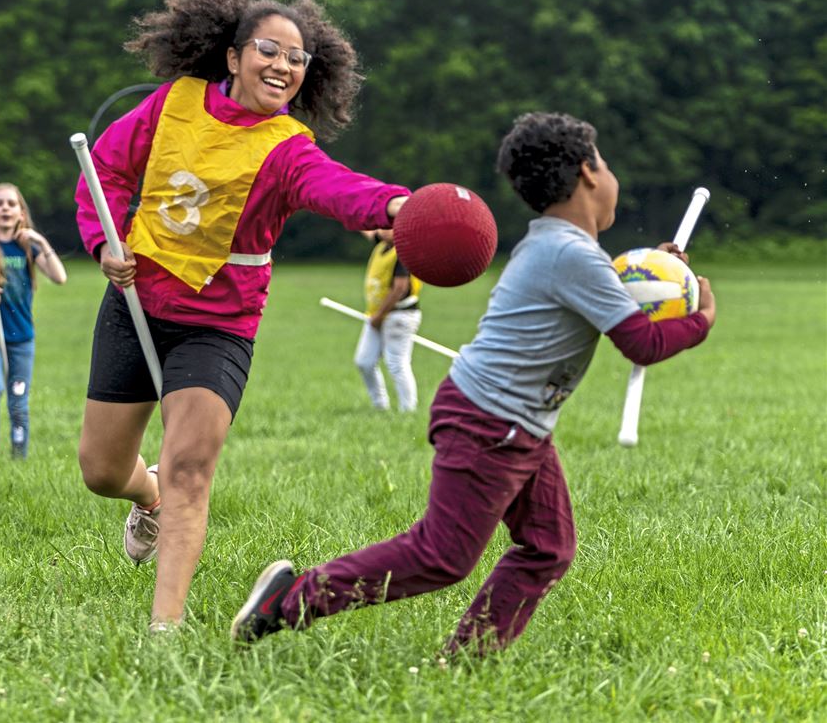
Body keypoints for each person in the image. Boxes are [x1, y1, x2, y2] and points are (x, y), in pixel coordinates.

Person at [232, 112, 717, 654]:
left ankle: (468, 658)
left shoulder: (553, 245)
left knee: (546, 548)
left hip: (514, 423)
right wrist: (701, 318)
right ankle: (292, 599)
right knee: (441, 556)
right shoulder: (572, 256)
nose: (611, 177)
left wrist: (657, 271)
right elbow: (642, 342)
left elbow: (610, 291)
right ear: (587, 173)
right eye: (605, 164)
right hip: (492, 424)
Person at [74, 0, 411, 632]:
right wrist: (102, 241)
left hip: (217, 324)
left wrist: (398, 204)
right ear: (233, 56)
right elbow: (107, 169)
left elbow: (339, 189)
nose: (282, 64)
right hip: (135, 302)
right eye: (268, 50)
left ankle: (162, 632)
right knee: (102, 469)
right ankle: (146, 500)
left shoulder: (287, 148)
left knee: (190, 468)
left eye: (296, 57)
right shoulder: (174, 103)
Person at [0, 183, 66, 459]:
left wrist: (41, 242)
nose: (5, 208)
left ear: (21, 212)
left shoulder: (28, 245)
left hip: (21, 336)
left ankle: (19, 457)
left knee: (18, 401)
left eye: (11, 204)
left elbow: (59, 277)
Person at [355, 228, 423, 412]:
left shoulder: (403, 252)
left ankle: (407, 410)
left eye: (388, 227)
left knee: (397, 363)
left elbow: (400, 287)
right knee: (364, 361)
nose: (382, 230)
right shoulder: (383, 243)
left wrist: (380, 315)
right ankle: (380, 406)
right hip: (376, 314)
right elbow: (367, 230)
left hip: (399, 315)